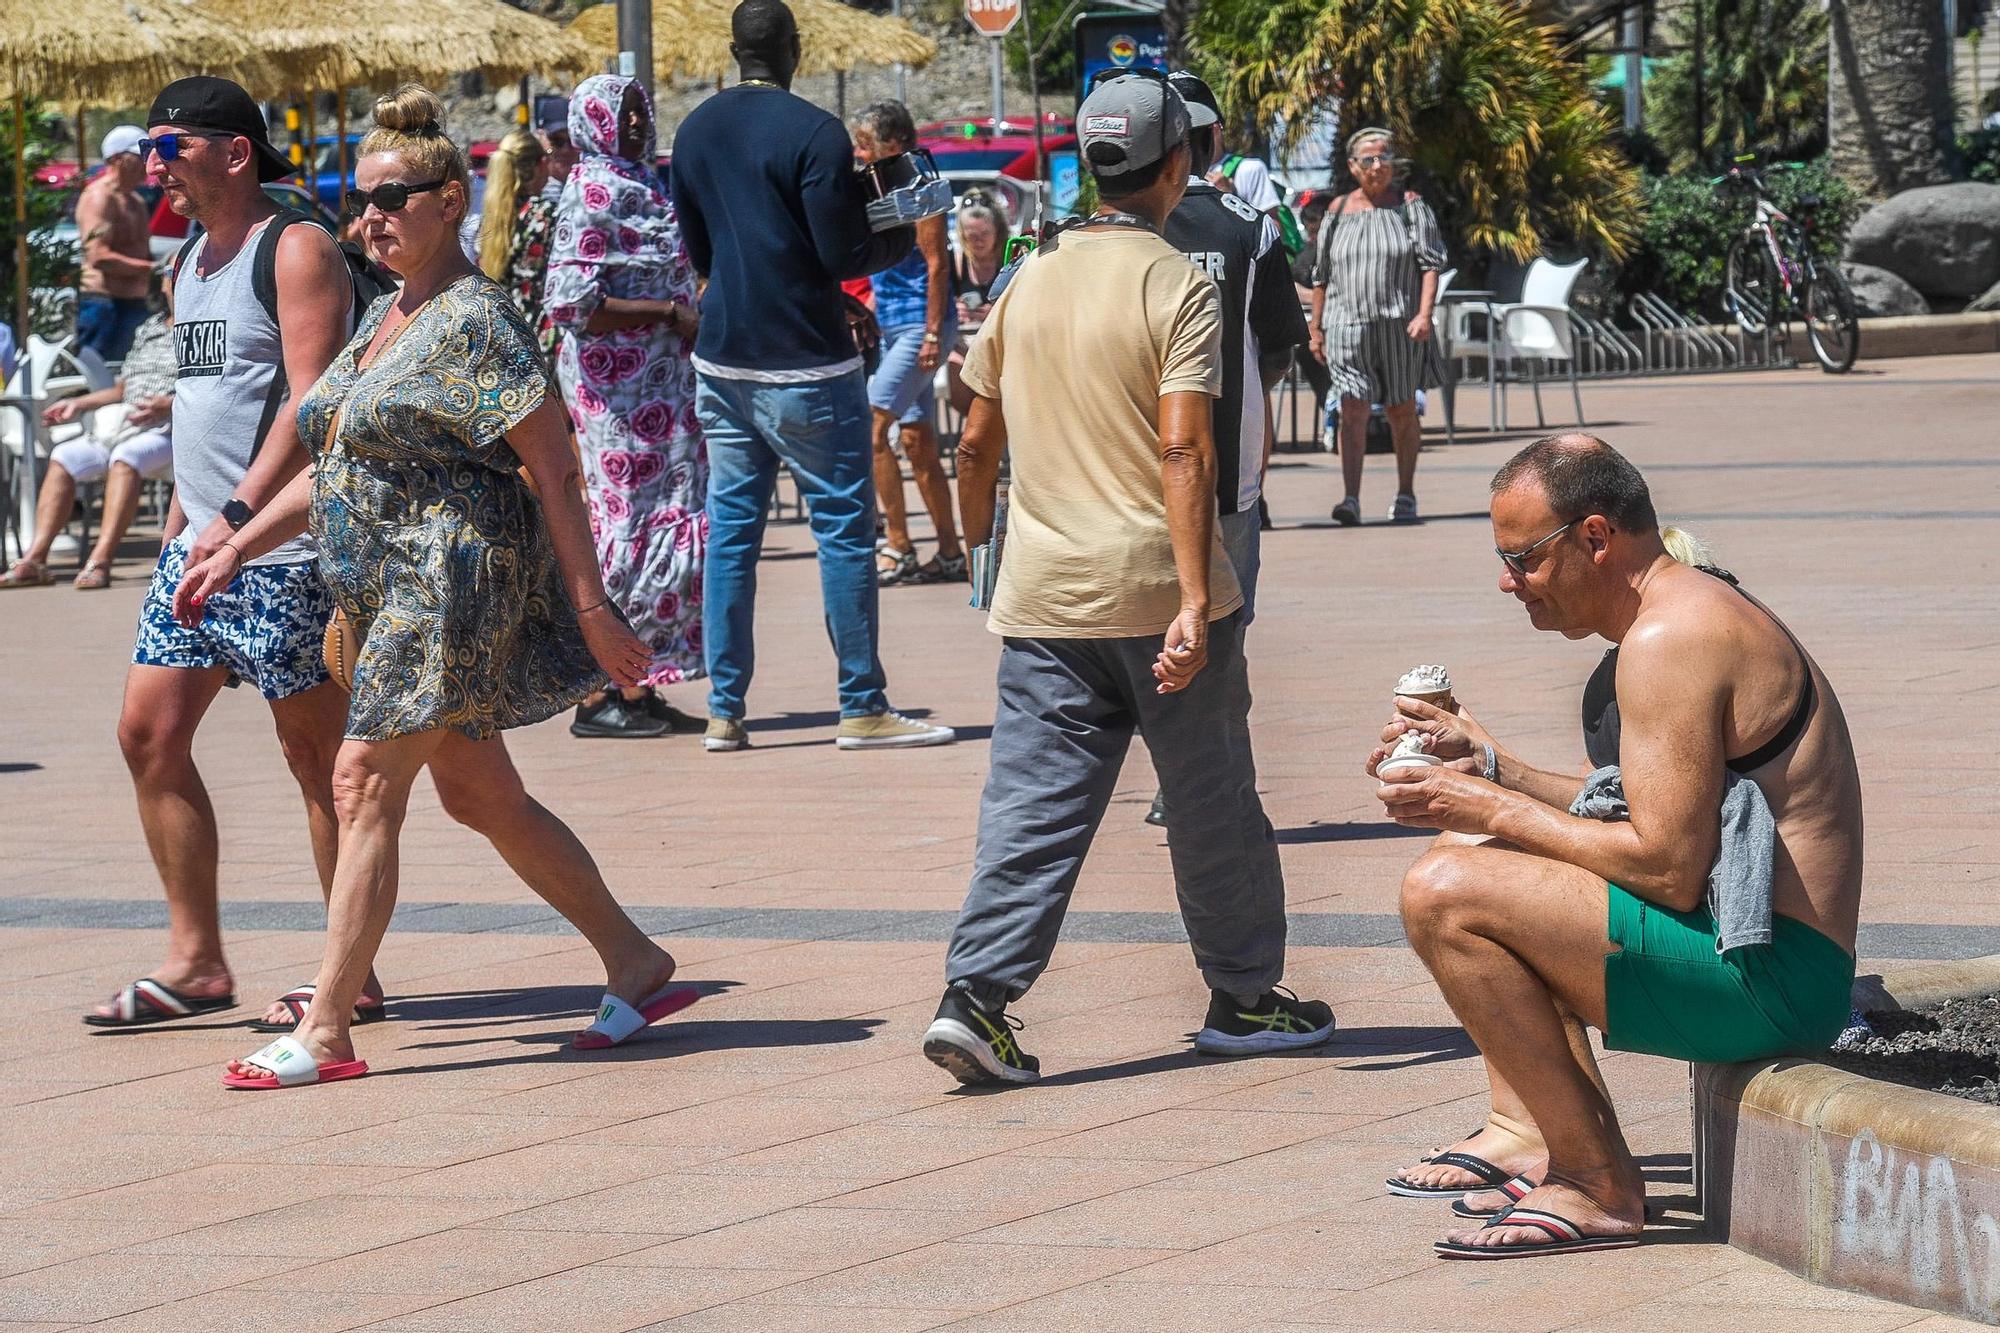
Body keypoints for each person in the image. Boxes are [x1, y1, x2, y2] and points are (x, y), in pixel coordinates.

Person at [173, 85, 691, 1089]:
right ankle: (635, 959)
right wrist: (234, 545)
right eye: (357, 201)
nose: (368, 219)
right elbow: (334, 466)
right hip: (378, 596)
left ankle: (326, 1029)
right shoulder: (384, 317)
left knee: (361, 779)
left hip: (450, 589)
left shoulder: (477, 319)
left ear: (450, 199)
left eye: (392, 198)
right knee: (480, 793)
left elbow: (555, 465)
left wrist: (592, 608)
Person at [923, 71, 1334, 1087]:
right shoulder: (1173, 283)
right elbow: (1184, 452)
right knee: (1209, 802)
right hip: (1158, 593)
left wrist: (981, 549)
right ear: (1178, 161)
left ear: (1088, 163)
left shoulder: (1027, 275)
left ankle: (974, 1000)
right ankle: (1243, 997)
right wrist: (1197, 598)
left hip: (1045, 593)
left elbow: (974, 441)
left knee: (1029, 805)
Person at [1372, 434, 1862, 1258]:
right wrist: (1487, 771)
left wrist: (1485, 799)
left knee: (1446, 888)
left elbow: (1666, 868)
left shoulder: (1670, 639)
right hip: (1759, 949)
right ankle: (1532, 1132)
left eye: (1523, 557)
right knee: (1469, 839)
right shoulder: (1676, 612)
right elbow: (1646, 814)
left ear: (1595, 537)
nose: (1507, 581)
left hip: (1773, 978)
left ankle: (1597, 1182)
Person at [79, 77, 366, 1031]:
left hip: (282, 549)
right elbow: (206, 403)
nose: (154, 164)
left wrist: (241, 515)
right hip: (196, 545)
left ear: (233, 151)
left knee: (316, 756)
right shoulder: (188, 261)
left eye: (171, 146)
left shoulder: (296, 247)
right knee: (148, 733)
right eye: (154, 148)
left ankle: (348, 974)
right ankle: (197, 962)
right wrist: (180, 525)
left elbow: (310, 399)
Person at [669, 0, 955, 752]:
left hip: (725, 357)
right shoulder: (816, 133)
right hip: (807, 363)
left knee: (732, 534)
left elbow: (705, 253)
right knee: (844, 531)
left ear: (735, 51)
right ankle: (860, 704)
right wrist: (899, 225)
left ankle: (725, 710)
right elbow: (841, 255)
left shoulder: (695, 130)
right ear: (794, 49)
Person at [1139, 69, 1307, 829]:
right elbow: (1279, 346)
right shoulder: (1252, 225)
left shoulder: (1104, 225)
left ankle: (1178, 780)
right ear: (1208, 142)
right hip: (1227, 472)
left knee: (1149, 628)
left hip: (1135, 470)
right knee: (1225, 634)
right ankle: (1210, 783)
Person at [545, 75, 708, 740]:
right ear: (595, 123)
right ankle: (599, 690)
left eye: (642, 111)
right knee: (625, 531)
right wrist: (669, 312)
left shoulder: (642, 184)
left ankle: (638, 682)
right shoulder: (592, 190)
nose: (641, 123)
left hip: (663, 394)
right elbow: (571, 303)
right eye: (626, 113)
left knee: (664, 525)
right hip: (616, 396)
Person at [850, 101, 964, 589]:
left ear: (893, 143)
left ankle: (898, 546)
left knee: (873, 429)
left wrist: (935, 334)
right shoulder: (883, 181)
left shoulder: (919, 182)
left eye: (867, 143)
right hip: (897, 323)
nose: (859, 151)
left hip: (922, 325)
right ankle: (950, 551)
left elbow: (938, 264)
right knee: (917, 443)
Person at [3, 273, 175, 590]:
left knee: (125, 458)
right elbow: (122, 388)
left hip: (167, 429)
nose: (173, 278)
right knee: (64, 456)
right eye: (168, 274)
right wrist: (79, 404)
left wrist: (170, 404)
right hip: (121, 423)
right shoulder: (149, 328)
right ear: (162, 285)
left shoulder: (203, 327)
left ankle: (101, 560)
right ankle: (35, 559)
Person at [1309, 127, 1445, 526]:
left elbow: (1430, 264)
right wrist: (1316, 329)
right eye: (1367, 159)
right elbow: (1321, 275)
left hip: (1398, 324)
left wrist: (1424, 314)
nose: (1377, 166)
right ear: (1353, 166)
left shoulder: (1409, 206)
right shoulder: (1335, 211)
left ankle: (1405, 493)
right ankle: (1350, 498)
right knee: (1352, 409)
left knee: (1402, 408)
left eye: (1384, 157)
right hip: (1346, 326)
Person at [75, 125, 156, 362]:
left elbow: (144, 252)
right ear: (117, 159)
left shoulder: (136, 201)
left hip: (135, 302)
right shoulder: (99, 196)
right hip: (103, 302)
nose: (146, 161)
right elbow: (98, 256)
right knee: (98, 374)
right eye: (139, 155)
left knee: (129, 374)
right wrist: (152, 269)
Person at [944, 191, 1007, 417]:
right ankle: (977, 424)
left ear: (997, 231)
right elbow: (941, 303)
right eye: (972, 235)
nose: (978, 241)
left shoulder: (1009, 260)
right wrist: (954, 308)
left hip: (1000, 343)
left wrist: (997, 310)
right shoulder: (957, 261)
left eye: (984, 234)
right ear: (962, 234)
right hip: (966, 342)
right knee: (954, 361)